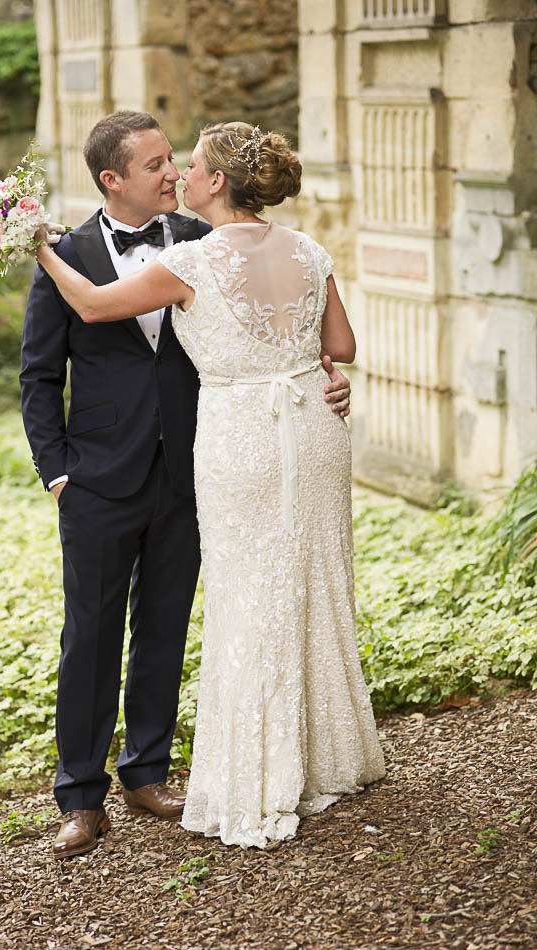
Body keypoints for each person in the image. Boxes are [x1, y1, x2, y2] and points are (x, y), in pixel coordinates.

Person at [34, 120, 384, 850]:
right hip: (110, 471)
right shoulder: (71, 253)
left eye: (180, 161)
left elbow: (107, 305)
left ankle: (149, 771)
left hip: (206, 462)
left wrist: (317, 373)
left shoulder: (199, 241)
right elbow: (41, 373)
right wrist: (59, 471)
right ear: (113, 179)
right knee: (95, 633)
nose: (172, 174)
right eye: (157, 163)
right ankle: (81, 796)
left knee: (175, 621)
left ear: (214, 180)